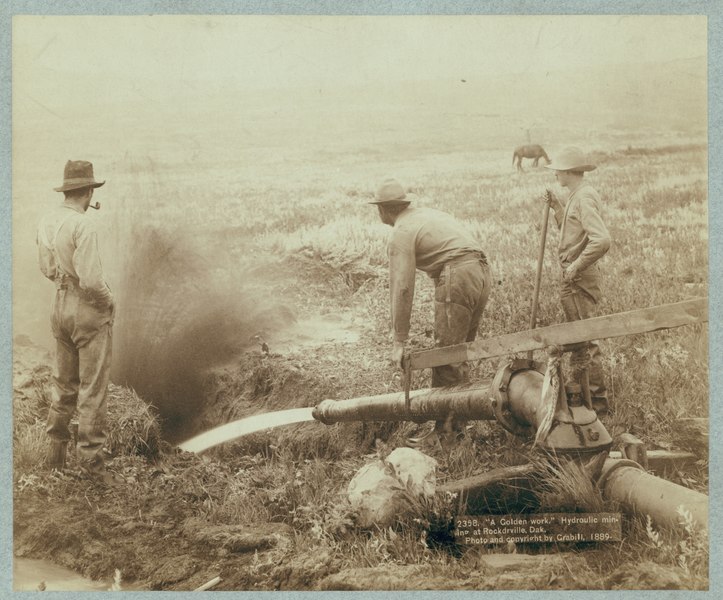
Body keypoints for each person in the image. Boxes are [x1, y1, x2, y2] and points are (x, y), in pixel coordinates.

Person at [370, 178, 492, 445]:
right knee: (459, 353)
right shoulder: (427, 215)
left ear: (383, 209)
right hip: (481, 272)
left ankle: (446, 437)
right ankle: (457, 427)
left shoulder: (401, 231)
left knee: (446, 356)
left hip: (458, 274)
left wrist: (399, 341)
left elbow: (402, 288)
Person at [37, 160, 118, 485]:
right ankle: (92, 467)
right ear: (86, 192)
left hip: (59, 305)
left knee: (63, 385)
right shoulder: (84, 225)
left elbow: (46, 268)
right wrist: (109, 302)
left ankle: (55, 457)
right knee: (93, 389)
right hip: (86, 309)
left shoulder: (47, 221)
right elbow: (92, 280)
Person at [544, 147, 611, 414]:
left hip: (579, 279)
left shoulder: (584, 197)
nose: (556, 173)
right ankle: (587, 400)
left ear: (572, 172)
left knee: (586, 341)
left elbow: (601, 240)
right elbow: (573, 231)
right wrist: (557, 207)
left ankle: (597, 405)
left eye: (559, 169)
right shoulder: (575, 196)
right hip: (574, 277)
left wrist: (575, 266)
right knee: (581, 338)